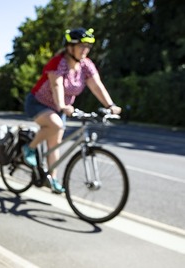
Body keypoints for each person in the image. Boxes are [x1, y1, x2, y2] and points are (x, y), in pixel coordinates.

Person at [23, 28, 122, 194]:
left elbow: (96, 86)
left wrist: (110, 105)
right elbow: (57, 85)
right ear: (70, 47)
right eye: (82, 46)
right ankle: (29, 148)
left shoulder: (86, 65)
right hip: (39, 103)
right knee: (56, 125)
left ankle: (51, 179)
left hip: (60, 108)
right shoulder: (58, 62)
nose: (86, 50)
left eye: (88, 47)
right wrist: (62, 105)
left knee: (54, 145)